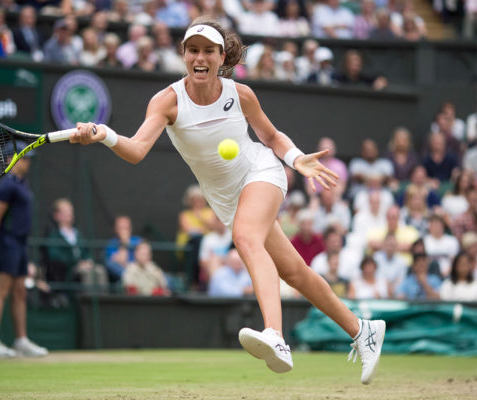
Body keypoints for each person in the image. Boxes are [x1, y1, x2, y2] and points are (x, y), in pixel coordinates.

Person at [67, 17, 386, 384]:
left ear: (222, 57)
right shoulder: (167, 101)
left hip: (261, 173)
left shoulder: (241, 95)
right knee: (294, 272)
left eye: (208, 51)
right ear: (183, 55)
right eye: (192, 50)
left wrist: (296, 158)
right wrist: (104, 134)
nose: (199, 57)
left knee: (246, 239)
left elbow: (270, 136)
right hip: (227, 200)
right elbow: (137, 150)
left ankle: (276, 336)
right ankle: (363, 331)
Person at [0, 141, 48, 358]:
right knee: (1, 290)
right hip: (7, 242)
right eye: (24, 157)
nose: (28, 162)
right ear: (10, 159)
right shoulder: (7, 185)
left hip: (20, 244)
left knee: (20, 291)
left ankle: (21, 340)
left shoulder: (22, 184)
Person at [44, 198, 108, 288]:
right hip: (67, 271)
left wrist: (88, 260)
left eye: (70, 210)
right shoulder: (54, 234)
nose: (69, 214)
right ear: (56, 215)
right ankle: (88, 300)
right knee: (87, 273)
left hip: (84, 265)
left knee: (100, 270)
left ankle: (102, 300)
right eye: (65, 211)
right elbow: (55, 255)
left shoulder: (78, 233)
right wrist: (76, 263)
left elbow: (86, 251)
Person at [105, 214, 143, 282]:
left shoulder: (138, 240)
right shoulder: (112, 244)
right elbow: (121, 263)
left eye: (126, 227)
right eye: (121, 228)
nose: (124, 230)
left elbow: (144, 260)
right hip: (126, 274)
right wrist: (124, 242)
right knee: (111, 264)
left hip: (140, 271)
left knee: (167, 279)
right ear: (116, 229)